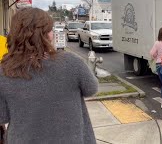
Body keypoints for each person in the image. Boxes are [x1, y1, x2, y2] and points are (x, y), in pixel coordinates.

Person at [0, 8, 98, 144]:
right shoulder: (71, 62)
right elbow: (91, 89)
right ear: (47, 35)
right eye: (51, 30)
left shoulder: (4, 70)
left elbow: (2, 116)